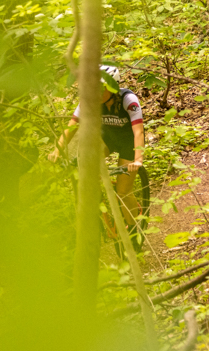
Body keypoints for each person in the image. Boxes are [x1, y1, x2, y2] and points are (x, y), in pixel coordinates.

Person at [47, 65, 146, 233]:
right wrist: (57, 150)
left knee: (123, 192)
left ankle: (135, 231)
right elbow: (71, 127)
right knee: (84, 162)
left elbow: (138, 132)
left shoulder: (129, 100)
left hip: (129, 142)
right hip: (106, 139)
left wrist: (138, 159)